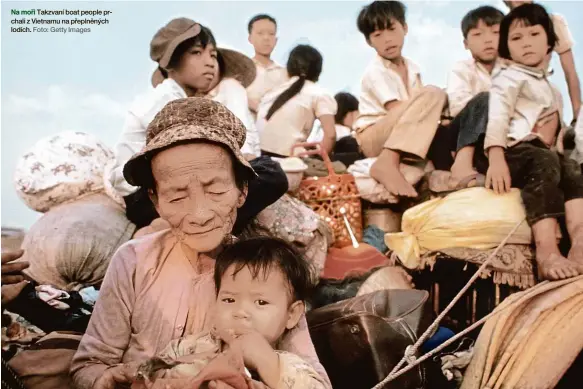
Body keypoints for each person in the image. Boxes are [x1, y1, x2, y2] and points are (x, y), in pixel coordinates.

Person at [70, 98, 331, 389]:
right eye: (177, 197)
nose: (199, 215)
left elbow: (316, 381)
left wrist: (263, 365)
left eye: (217, 190)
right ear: (156, 201)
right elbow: (90, 364)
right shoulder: (132, 261)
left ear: (241, 190)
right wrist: (103, 379)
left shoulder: (267, 272)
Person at [103, 18, 287, 232]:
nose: (209, 62)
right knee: (270, 174)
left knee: (263, 171)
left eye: (212, 55)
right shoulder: (164, 100)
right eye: (197, 53)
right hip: (147, 198)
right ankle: (194, 227)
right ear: (170, 63)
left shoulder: (187, 100)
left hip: (175, 188)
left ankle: (200, 225)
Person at [473, 3, 583, 280]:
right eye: (516, 38)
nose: (526, 44)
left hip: (539, 151)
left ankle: (580, 243)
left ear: (549, 43)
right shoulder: (508, 78)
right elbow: (497, 119)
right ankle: (547, 250)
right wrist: (496, 157)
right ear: (506, 48)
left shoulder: (551, 87)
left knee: (571, 167)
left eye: (534, 35)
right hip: (511, 151)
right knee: (544, 160)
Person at [135, 237, 328, 389]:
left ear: (292, 314)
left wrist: (269, 363)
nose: (240, 312)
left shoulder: (289, 364)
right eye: (229, 300)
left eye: (260, 302)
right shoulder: (191, 347)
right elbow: (152, 373)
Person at [353, 1, 447, 198]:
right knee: (433, 93)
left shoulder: (413, 68)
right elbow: (401, 109)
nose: (387, 40)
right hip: (373, 136)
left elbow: (417, 114)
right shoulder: (375, 71)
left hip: (399, 132)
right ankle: (387, 162)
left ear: (405, 28)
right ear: (369, 42)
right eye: (378, 35)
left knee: (439, 99)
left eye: (392, 30)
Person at [430, 6, 505, 192]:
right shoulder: (462, 69)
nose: (488, 40)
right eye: (478, 34)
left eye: (496, 33)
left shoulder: (513, 72)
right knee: (485, 99)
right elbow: (458, 107)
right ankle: (462, 165)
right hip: (463, 134)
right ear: (466, 43)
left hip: (496, 139)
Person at [505, 1, 581, 122]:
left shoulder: (553, 21)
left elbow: (569, 71)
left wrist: (577, 113)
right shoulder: (500, 26)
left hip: (539, 95)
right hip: (508, 94)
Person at [257, 44, 337, 157]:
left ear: (289, 67)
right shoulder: (319, 93)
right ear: (318, 70)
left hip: (261, 157)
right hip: (290, 161)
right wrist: (319, 159)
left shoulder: (272, 93)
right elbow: (331, 135)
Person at [245, 14, 289, 118]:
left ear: (276, 40)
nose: (266, 38)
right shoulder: (242, 70)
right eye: (260, 33)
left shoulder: (285, 74)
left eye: (271, 34)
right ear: (250, 38)